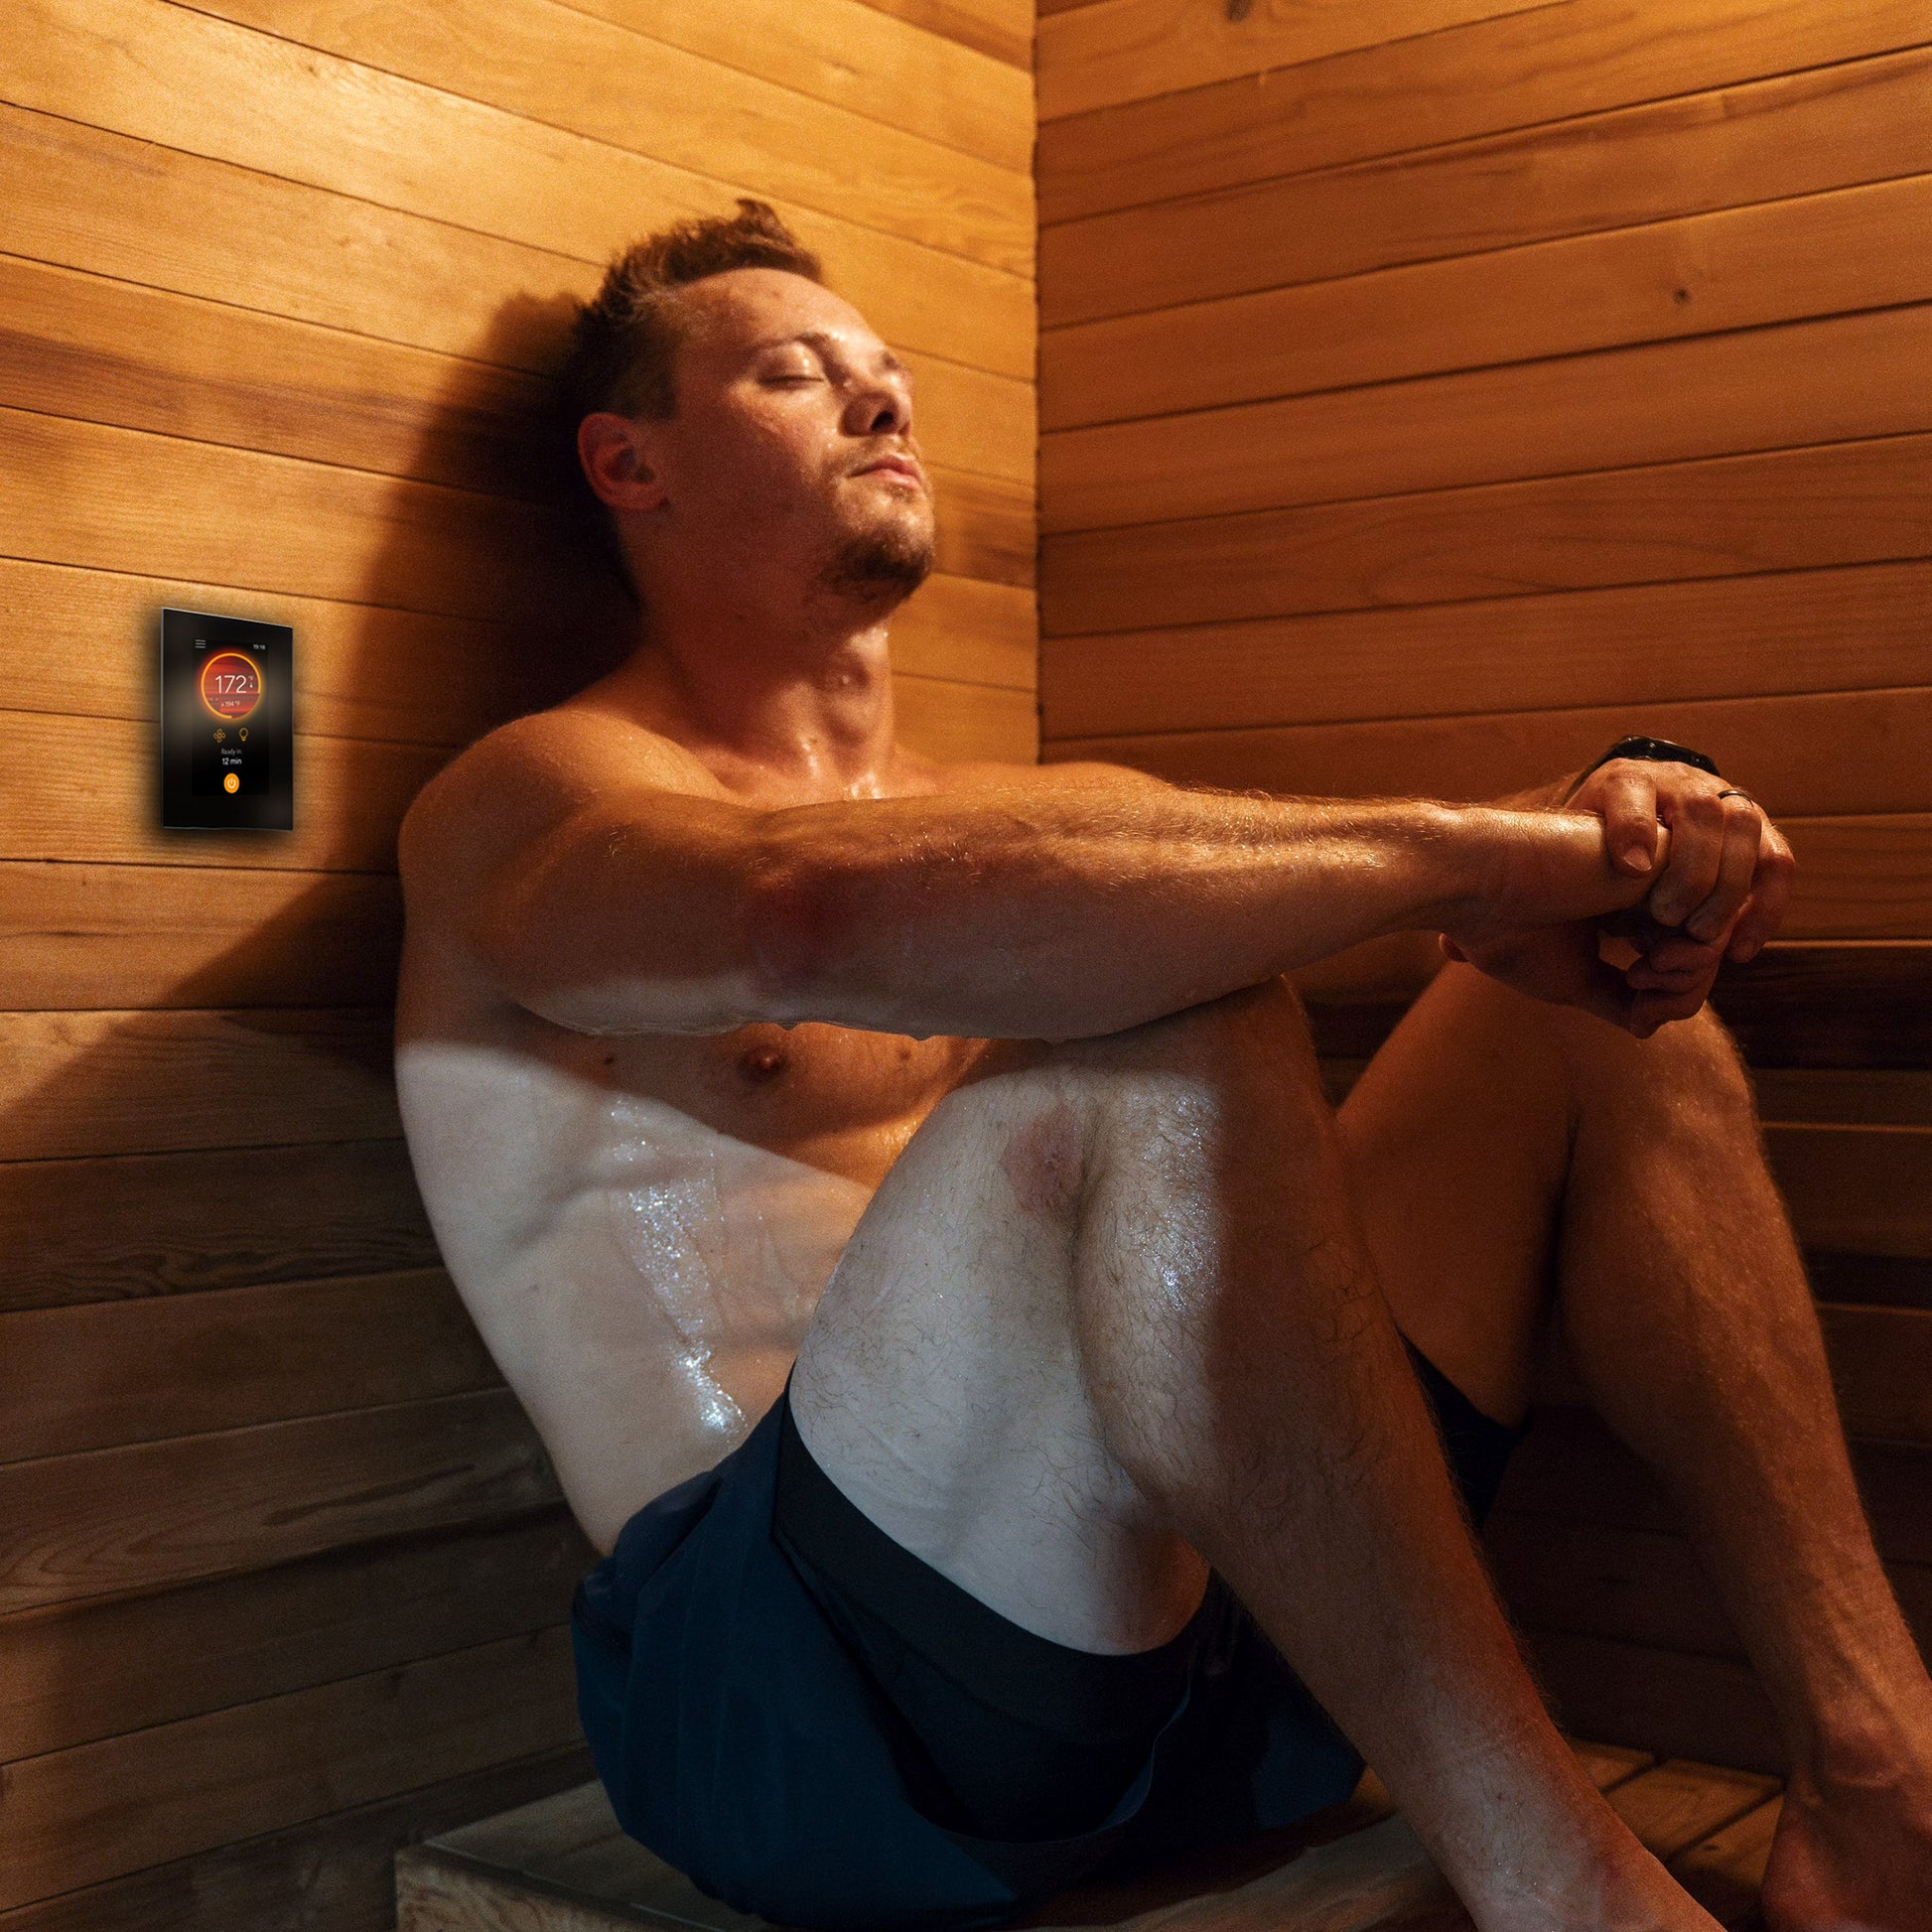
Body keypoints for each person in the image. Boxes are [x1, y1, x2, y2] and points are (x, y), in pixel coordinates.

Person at [393, 201, 1932, 1932]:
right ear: (631, 462)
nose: (880, 405)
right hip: (811, 1713)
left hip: (1203, 1644)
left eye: (891, 379)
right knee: (1161, 1028)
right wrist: (1497, 862)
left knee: (1576, 1026)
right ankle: (1572, 1894)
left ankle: (1880, 1780)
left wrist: (1607, 850)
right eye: (796, 375)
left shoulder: (1037, 818)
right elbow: (802, 916)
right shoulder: (526, 805)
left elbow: (1133, 906)